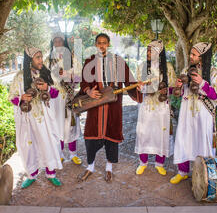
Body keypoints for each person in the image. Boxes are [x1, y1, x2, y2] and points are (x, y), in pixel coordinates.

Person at [77, 33, 140, 183]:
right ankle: (90, 166)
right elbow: (84, 83)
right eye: (99, 42)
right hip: (95, 105)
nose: (101, 45)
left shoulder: (118, 61)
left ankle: (109, 168)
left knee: (111, 134)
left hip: (113, 106)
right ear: (95, 44)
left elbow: (129, 81)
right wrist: (89, 92)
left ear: (108, 44)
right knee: (91, 134)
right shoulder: (89, 61)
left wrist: (138, 87)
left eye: (104, 42)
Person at [9, 46, 63, 188]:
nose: (41, 60)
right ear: (30, 60)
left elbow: (56, 92)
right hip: (27, 119)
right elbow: (11, 97)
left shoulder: (45, 73)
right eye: (37, 57)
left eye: (41, 56)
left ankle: (51, 173)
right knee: (29, 146)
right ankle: (32, 174)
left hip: (44, 118)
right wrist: (21, 98)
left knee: (48, 143)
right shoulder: (19, 77)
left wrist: (47, 88)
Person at [170, 42, 217, 184]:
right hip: (187, 111)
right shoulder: (187, 69)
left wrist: (202, 83)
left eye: (194, 54)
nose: (191, 56)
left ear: (203, 56)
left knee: (203, 141)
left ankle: (206, 175)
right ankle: (183, 172)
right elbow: (180, 93)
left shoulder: (214, 72)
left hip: (203, 114)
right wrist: (179, 87)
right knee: (183, 139)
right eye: (191, 54)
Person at [134, 40, 177, 176]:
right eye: (147, 50)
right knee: (144, 133)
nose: (147, 53)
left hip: (161, 106)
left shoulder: (168, 67)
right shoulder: (141, 67)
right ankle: (143, 163)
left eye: (150, 51)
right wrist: (141, 87)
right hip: (146, 105)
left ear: (158, 53)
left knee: (161, 133)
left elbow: (175, 87)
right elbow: (137, 86)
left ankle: (159, 163)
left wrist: (166, 90)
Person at [45, 32, 82, 165]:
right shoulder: (48, 60)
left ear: (64, 42)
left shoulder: (72, 58)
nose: (58, 43)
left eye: (60, 41)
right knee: (57, 125)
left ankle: (73, 154)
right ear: (52, 43)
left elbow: (79, 76)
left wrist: (67, 75)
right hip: (55, 98)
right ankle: (59, 154)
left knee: (71, 125)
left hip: (69, 96)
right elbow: (44, 78)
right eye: (55, 41)